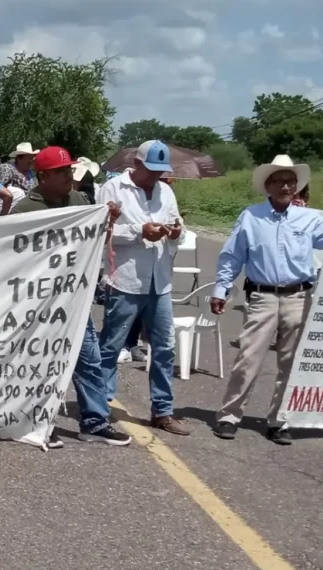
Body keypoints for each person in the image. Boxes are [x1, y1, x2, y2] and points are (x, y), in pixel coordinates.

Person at [8, 146, 132, 447]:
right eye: (61, 172)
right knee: (37, 363)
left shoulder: (80, 202)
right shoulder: (25, 210)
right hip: (35, 304)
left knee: (88, 359)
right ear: (43, 177)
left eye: (68, 170)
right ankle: (36, 423)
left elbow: (95, 236)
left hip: (74, 299)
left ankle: (94, 422)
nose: (68, 176)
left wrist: (109, 217)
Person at [211, 155, 323, 445]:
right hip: (263, 296)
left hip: (299, 296)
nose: (286, 186)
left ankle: (280, 420)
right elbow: (233, 255)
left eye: (291, 181)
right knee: (248, 358)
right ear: (268, 185)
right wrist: (221, 288)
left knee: (290, 363)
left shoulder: (310, 218)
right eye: (279, 180)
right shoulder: (251, 216)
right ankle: (229, 415)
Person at [97, 140, 190, 436]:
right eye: (151, 171)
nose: (156, 177)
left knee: (164, 347)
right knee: (112, 344)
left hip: (159, 281)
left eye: (160, 172)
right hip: (125, 280)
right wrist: (139, 232)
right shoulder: (113, 190)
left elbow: (180, 230)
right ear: (136, 165)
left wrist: (175, 233)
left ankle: (162, 410)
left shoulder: (166, 191)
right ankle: (98, 405)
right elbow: (101, 232)